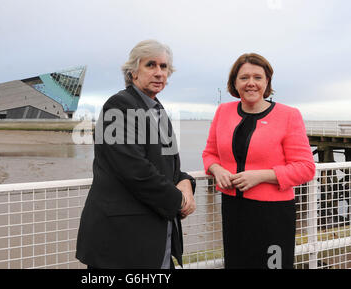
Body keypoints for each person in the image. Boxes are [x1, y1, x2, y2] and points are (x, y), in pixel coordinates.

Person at [76, 40, 196, 269]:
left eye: (164, 67)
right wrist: (178, 200)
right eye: (151, 65)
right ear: (132, 72)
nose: (159, 73)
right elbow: (134, 170)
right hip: (121, 241)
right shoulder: (118, 106)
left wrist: (185, 182)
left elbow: (168, 166)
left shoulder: (158, 110)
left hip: (157, 238)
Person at [202, 53, 315, 269]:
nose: (251, 83)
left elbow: (306, 168)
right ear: (234, 83)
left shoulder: (289, 115)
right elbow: (209, 154)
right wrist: (216, 170)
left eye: (258, 77)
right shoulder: (223, 112)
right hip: (233, 209)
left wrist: (261, 176)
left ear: (267, 82)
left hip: (274, 214)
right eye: (244, 78)